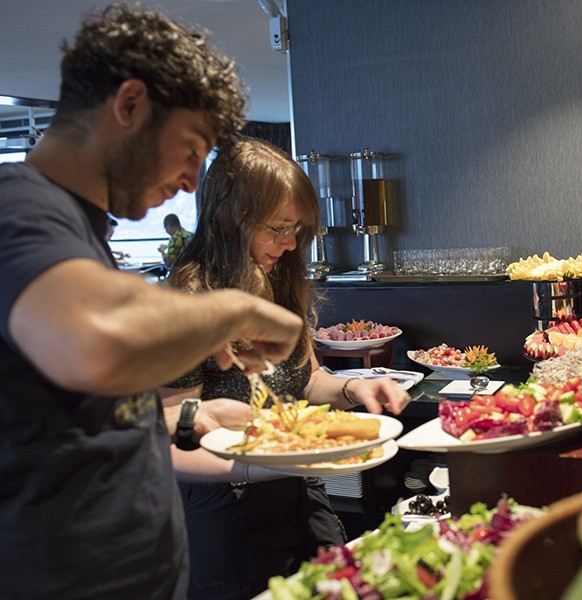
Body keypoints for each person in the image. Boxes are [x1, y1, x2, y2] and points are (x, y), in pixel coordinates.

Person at [0, 5, 305, 599]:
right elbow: (96, 348)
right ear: (131, 104)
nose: (192, 181)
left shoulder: (78, 230)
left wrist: (190, 418)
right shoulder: (20, 211)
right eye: (191, 149)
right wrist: (237, 311)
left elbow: (73, 419)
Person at [160, 137, 411, 600]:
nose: (291, 243)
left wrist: (355, 388)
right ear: (227, 218)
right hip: (224, 515)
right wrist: (258, 466)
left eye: (296, 229)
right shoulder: (187, 303)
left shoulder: (275, 278)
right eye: (277, 229)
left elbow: (307, 380)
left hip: (298, 495)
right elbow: (171, 444)